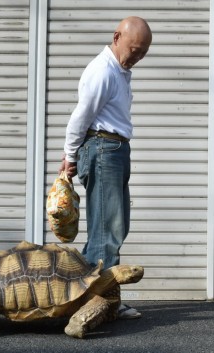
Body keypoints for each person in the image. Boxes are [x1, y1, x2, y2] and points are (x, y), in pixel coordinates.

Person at [59, 16, 152, 320]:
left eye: (142, 53)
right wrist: (70, 156)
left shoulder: (120, 70)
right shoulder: (103, 71)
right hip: (102, 149)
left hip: (113, 149)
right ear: (117, 37)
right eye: (134, 49)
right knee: (105, 231)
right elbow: (81, 116)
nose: (136, 57)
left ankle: (101, 297)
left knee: (114, 226)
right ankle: (92, 301)